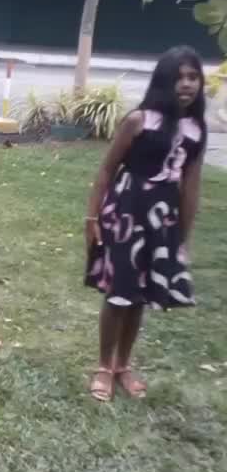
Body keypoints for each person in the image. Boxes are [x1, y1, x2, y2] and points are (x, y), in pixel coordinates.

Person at [84, 46, 207, 402]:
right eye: (179, 77)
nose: (187, 84)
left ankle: (123, 365)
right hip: (126, 214)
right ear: (163, 81)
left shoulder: (196, 130)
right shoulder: (140, 120)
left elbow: (191, 186)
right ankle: (103, 366)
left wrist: (182, 237)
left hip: (161, 220)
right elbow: (107, 170)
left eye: (193, 77)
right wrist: (92, 217)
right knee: (119, 291)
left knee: (139, 295)